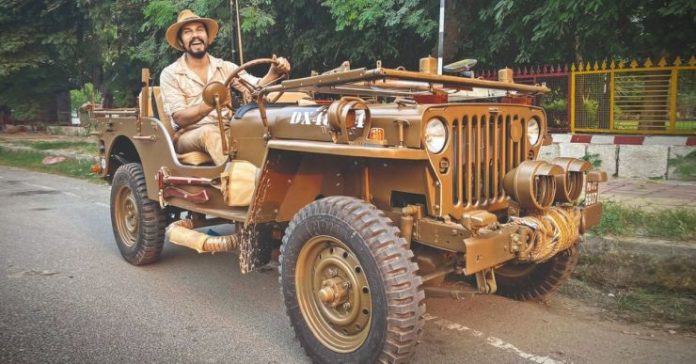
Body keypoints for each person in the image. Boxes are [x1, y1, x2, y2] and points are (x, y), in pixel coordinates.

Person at [160, 9, 291, 165]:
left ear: (207, 37)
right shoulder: (171, 73)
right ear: (181, 41)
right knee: (209, 133)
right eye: (188, 32)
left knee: (261, 127)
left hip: (229, 127)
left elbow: (254, 88)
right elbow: (179, 118)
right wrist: (211, 103)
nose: (195, 35)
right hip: (190, 134)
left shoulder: (225, 67)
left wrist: (273, 74)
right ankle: (237, 182)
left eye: (200, 30)